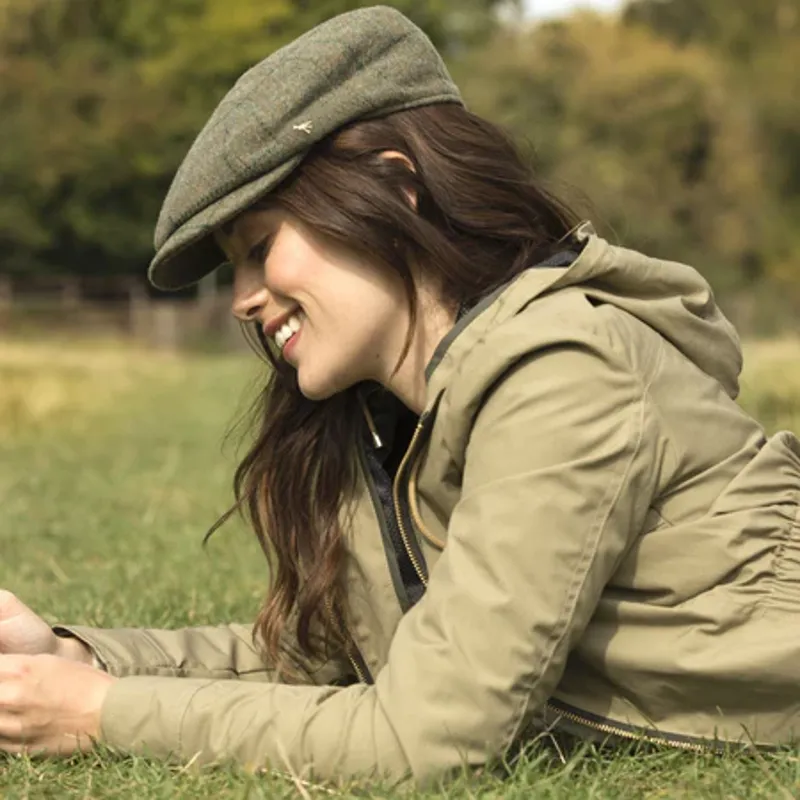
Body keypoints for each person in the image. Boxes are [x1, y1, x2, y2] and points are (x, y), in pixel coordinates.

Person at [1, 4, 799, 788]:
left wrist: (99, 713)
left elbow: (427, 736)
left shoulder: (564, 371)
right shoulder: (388, 418)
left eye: (260, 248)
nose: (242, 298)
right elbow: (329, 661)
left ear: (395, 187)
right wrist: (79, 660)